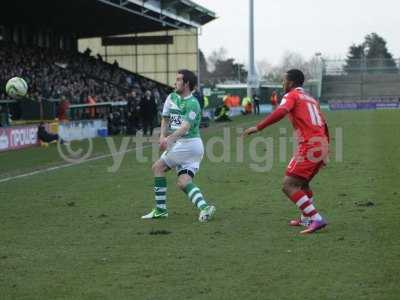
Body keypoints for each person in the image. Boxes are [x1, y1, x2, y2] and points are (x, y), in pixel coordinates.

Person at [242, 69, 329, 234]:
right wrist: (326, 149)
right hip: (320, 143)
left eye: (284, 80)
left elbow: (281, 112)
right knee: (302, 183)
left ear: (291, 83)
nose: (282, 83)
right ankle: (306, 218)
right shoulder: (311, 99)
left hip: (309, 145)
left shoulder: (291, 95)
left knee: (288, 185)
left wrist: (258, 127)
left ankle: (316, 218)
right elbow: (323, 124)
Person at [142, 69, 216, 222]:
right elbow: (165, 118)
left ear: (187, 83)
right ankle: (205, 208)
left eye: (178, 79)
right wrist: (162, 135)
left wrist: (169, 138)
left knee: (158, 168)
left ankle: (161, 210)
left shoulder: (193, 103)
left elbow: (185, 128)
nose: (175, 82)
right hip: (189, 146)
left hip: (187, 144)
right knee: (183, 183)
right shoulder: (171, 97)